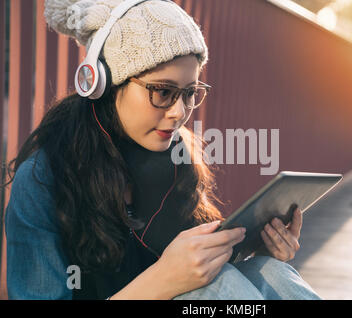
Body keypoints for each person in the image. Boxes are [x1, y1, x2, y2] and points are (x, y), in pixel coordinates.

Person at [3, 0, 321, 300]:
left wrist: (261, 250)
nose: (178, 112)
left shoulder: (175, 157)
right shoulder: (44, 179)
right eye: (163, 91)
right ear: (103, 84)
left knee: (271, 272)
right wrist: (161, 280)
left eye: (189, 93)